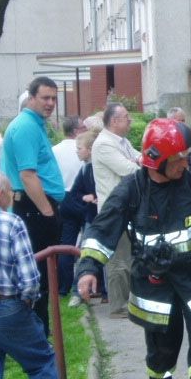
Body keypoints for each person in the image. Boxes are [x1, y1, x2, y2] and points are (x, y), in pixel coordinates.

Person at [75, 119, 191, 379]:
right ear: (157, 160)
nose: (185, 163)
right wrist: (88, 267)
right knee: (161, 355)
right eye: (178, 158)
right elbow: (103, 229)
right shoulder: (131, 190)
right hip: (155, 286)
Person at [0, 170, 68, 379]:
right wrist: (26, 302)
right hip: (8, 308)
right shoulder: (11, 222)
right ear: (1, 195)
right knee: (42, 365)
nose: (12, 197)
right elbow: (30, 279)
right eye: (12, 192)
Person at [0, 76, 65, 337]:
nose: (50, 103)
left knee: (43, 275)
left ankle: (39, 334)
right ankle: (38, 336)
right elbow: (27, 176)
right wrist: (47, 212)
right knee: (38, 275)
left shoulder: (34, 124)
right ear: (31, 97)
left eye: (53, 98)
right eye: (45, 97)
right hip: (33, 207)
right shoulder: (26, 126)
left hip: (36, 206)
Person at [92, 102, 141, 318]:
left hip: (126, 208)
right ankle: (118, 306)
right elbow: (128, 168)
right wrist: (134, 161)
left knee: (128, 257)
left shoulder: (122, 141)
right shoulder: (104, 144)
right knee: (118, 261)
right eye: (126, 117)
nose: (130, 120)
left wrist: (136, 160)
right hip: (114, 211)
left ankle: (127, 301)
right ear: (114, 121)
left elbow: (139, 158)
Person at [68, 129, 106, 308]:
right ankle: (79, 291)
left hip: (105, 217)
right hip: (92, 217)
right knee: (87, 253)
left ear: (90, 150)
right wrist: (86, 197)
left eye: (79, 148)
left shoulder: (99, 167)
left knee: (104, 255)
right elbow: (76, 192)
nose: (77, 152)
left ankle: (105, 291)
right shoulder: (84, 169)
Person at [53, 116, 86, 295]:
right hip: (83, 195)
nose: (86, 130)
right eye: (83, 128)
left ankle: (64, 286)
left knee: (66, 242)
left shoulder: (54, 150)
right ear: (75, 131)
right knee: (89, 241)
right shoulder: (84, 148)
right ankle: (89, 283)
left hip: (64, 197)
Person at [167, 107, 191, 175]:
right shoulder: (165, 144)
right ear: (170, 123)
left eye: (183, 121)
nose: (183, 124)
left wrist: (189, 160)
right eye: (179, 121)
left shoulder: (189, 140)